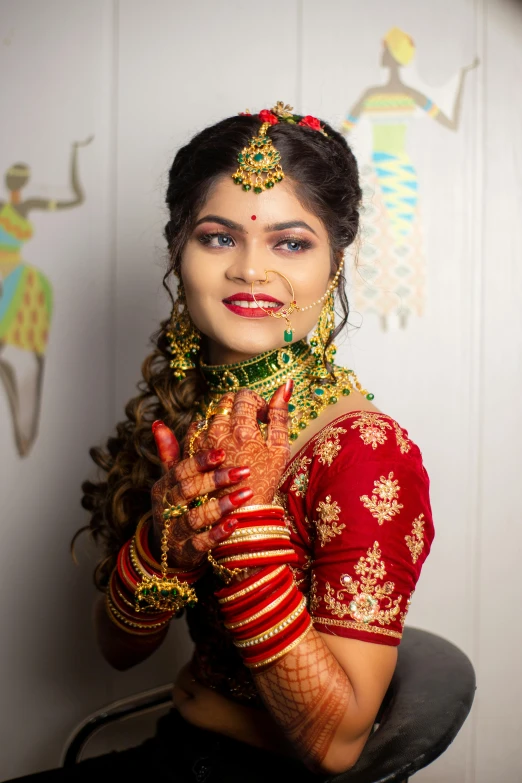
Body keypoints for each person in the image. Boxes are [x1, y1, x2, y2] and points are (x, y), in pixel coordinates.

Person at [7, 102, 434, 782]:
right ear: (177, 248)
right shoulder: (192, 411)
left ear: (336, 264)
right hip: (177, 747)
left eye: (290, 242)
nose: (251, 270)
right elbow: (117, 650)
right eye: (218, 237)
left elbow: (339, 745)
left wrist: (244, 526)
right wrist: (166, 547)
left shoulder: (365, 453)